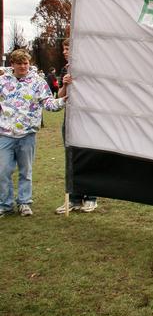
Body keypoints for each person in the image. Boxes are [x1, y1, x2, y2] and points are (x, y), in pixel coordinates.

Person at [0, 49, 66, 217]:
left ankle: (24, 203)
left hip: (27, 135)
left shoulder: (38, 82)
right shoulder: (2, 81)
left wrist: (63, 100)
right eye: (19, 63)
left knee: (25, 171)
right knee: (3, 171)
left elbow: (48, 103)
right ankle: (5, 204)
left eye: (26, 63)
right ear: (12, 64)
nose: (23, 66)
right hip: (5, 134)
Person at [55, 38, 98, 214]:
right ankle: (74, 198)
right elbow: (60, 96)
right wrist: (65, 84)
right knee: (71, 158)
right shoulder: (66, 69)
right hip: (70, 118)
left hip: (87, 118)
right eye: (63, 48)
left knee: (88, 155)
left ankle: (91, 197)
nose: (65, 51)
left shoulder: (90, 68)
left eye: (67, 48)